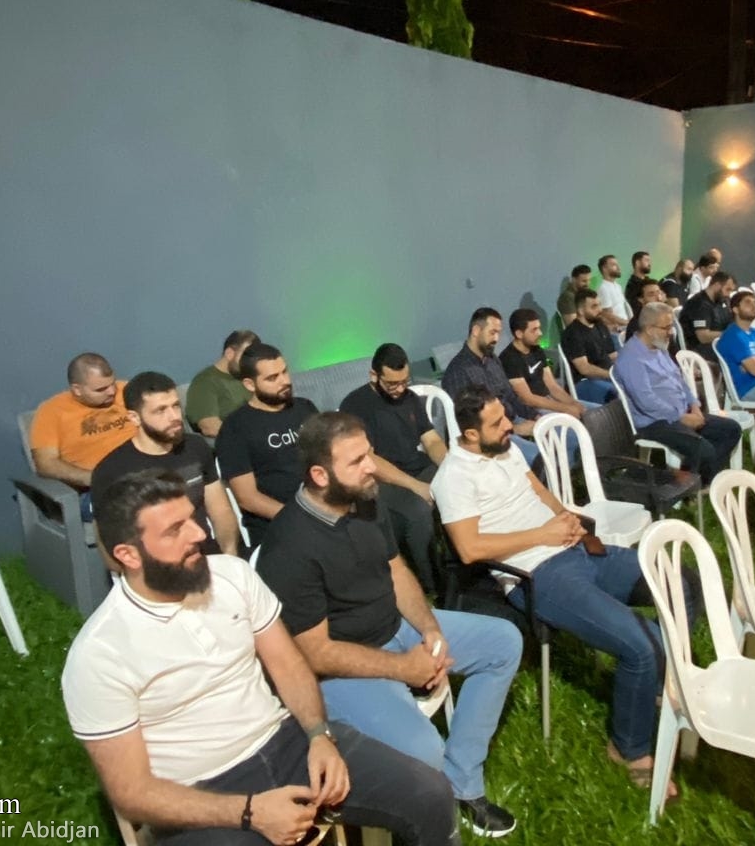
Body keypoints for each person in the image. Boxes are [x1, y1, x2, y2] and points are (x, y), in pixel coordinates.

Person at [61, 469, 459, 846]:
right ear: (129, 555)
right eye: (175, 530)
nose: (200, 533)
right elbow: (131, 793)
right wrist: (249, 813)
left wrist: (319, 736)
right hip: (200, 789)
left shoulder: (230, 576)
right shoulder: (100, 654)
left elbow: (288, 664)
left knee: (431, 794)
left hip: (285, 741)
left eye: (193, 518)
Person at [258, 413, 522, 837]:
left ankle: (462, 780)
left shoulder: (363, 499)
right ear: (320, 475)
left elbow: (395, 569)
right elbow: (316, 653)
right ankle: (433, 802)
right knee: (423, 751)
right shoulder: (288, 547)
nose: (372, 467)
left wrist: (431, 629)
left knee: (503, 642)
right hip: (343, 667)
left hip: (396, 627)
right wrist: (405, 669)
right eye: (357, 460)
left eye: (370, 453)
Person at [431, 385, 703, 797]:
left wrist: (566, 516)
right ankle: (629, 749)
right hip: (540, 574)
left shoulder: (502, 448)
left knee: (681, 582)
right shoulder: (454, 477)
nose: (509, 425)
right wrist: (543, 534)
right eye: (497, 422)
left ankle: (654, 686)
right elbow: (469, 549)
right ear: (470, 434)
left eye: (505, 416)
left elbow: (534, 489)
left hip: (574, 547)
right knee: (642, 644)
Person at [93, 371, 241, 558]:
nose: (174, 416)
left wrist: (229, 556)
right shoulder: (112, 470)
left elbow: (221, 511)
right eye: (160, 410)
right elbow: (108, 540)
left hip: (207, 554)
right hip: (159, 568)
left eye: (176, 406)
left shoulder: (195, 447)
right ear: (134, 418)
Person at [340, 343, 448, 596]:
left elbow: (431, 440)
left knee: (459, 486)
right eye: (392, 384)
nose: (400, 389)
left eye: (404, 382)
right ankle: (431, 587)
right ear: (374, 376)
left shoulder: (410, 398)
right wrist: (416, 487)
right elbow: (370, 460)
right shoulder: (356, 405)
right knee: (418, 512)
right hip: (381, 479)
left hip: (417, 466)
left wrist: (450, 468)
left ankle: (463, 566)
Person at [612, 303, 741, 485]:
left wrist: (695, 406)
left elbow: (679, 380)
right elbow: (646, 401)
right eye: (666, 327)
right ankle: (690, 486)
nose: (671, 332)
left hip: (681, 412)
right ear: (649, 329)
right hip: (654, 422)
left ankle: (695, 481)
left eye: (671, 326)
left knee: (731, 429)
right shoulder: (631, 358)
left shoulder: (659, 347)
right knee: (704, 450)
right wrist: (681, 418)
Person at [217, 343, 318, 547]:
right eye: (272, 378)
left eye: (284, 372)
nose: (284, 381)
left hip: (326, 511)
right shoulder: (235, 428)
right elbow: (247, 498)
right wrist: (302, 519)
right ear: (249, 384)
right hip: (280, 529)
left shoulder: (305, 408)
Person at [29, 352, 134, 518]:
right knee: (140, 503)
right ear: (77, 389)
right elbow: (45, 464)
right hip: (97, 490)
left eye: (112, 383)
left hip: (145, 473)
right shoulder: (51, 412)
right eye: (101, 389)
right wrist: (96, 478)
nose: (112, 391)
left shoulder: (127, 391)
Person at [441, 307, 541, 467]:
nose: (496, 338)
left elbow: (511, 396)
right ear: (476, 330)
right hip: (493, 436)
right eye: (492, 332)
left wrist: (535, 416)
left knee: (561, 435)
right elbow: (469, 425)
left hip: (513, 420)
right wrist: (514, 429)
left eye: (498, 333)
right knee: (541, 457)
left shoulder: (492, 359)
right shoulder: (458, 372)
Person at [500, 309, 592, 417]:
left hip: (550, 400)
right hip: (534, 409)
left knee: (595, 413)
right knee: (579, 421)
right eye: (534, 330)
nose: (540, 333)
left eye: (539, 328)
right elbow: (527, 399)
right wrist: (565, 408)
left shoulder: (536, 349)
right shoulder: (509, 359)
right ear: (519, 334)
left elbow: (552, 386)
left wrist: (574, 404)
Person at [185, 329, 260, 438]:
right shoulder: (205, 382)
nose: (249, 363)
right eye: (245, 357)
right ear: (229, 353)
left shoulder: (248, 377)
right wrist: (250, 437)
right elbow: (210, 427)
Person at [560, 289, 618, 403]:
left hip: (607, 376)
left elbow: (613, 355)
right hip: (584, 381)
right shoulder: (572, 334)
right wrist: (612, 375)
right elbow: (584, 368)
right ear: (581, 311)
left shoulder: (600, 326)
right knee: (617, 394)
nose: (600, 309)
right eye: (594, 306)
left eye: (599, 305)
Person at [678, 270, 736, 356]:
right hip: (699, 350)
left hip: (717, 344)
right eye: (728, 289)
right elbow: (703, 337)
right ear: (716, 285)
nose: (729, 294)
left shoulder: (721, 301)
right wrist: (730, 334)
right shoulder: (699, 304)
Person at [624, 279, 681, 354]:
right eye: (652, 295)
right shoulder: (637, 325)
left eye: (659, 293)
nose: (659, 298)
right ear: (641, 300)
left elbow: (673, 351)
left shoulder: (664, 319)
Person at [595, 254, 629, 332]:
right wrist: (627, 323)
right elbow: (608, 315)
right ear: (604, 269)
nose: (618, 268)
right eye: (614, 265)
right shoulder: (603, 288)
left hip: (625, 327)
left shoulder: (618, 286)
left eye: (617, 265)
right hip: (616, 331)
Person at [556, 264, 592, 328]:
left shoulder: (585, 294)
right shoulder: (567, 297)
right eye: (584, 281)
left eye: (589, 280)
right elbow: (572, 326)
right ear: (574, 280)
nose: (588, 284)